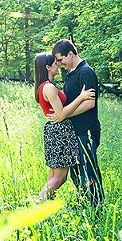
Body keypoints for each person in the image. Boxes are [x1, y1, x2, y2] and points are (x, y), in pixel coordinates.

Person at [34, 52, 95, 203]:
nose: (58, 65)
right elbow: (61, 114)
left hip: (54, 130)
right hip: (59, 131)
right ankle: (36, 207)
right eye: (55, 63)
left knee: (53, 177)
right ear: (48, 67)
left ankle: (43, 209)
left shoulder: (44, 86)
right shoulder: (48, 88)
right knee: (59, 179)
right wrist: (81, 97)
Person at [51, 39, 104, 210]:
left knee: (88, 171)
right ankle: (84, 205)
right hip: (72, 131)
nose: (59, 64)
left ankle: (97, 209)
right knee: (76, 172)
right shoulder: (71, 73)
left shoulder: (86, 73)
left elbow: (89, 103)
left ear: (71, 54)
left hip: (86, 130)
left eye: (60, 59)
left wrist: (63, 114)